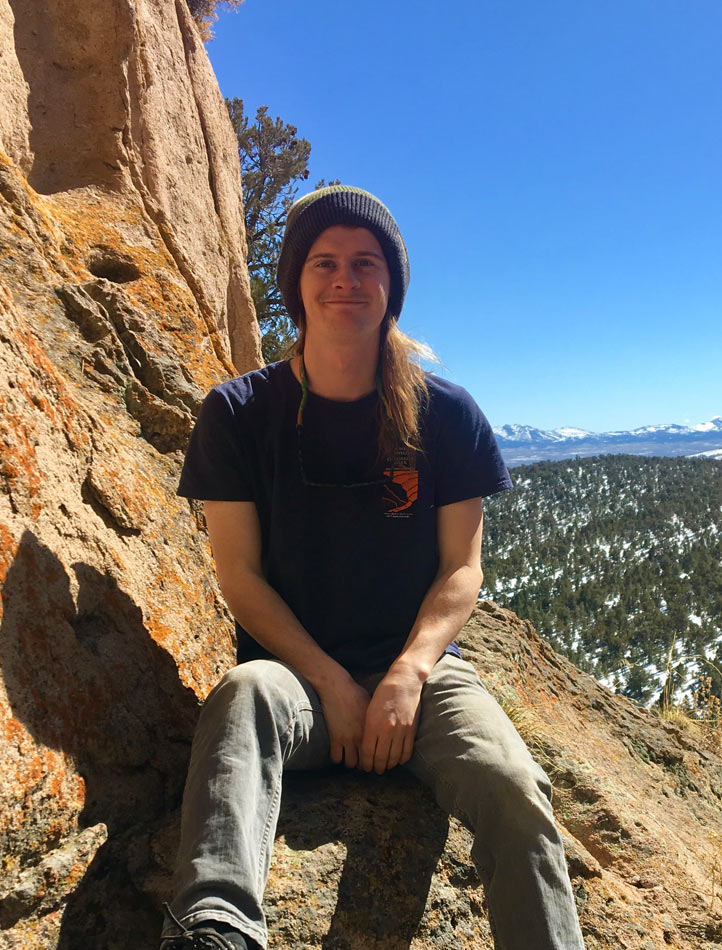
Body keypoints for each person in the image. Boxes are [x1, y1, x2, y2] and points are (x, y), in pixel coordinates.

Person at [160, 186, 585, 950]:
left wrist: (408, 673)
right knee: (242, 695)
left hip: (418, 677)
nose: (344, 279)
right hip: (294, 677)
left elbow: (461, 571)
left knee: (514, 785)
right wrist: (329, 681)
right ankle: (215, 929)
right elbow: (240, 578)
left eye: (366, 263)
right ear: (296, 283)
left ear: (392, 286)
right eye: (324, 262)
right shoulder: (239, 413)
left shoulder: (445, 414)